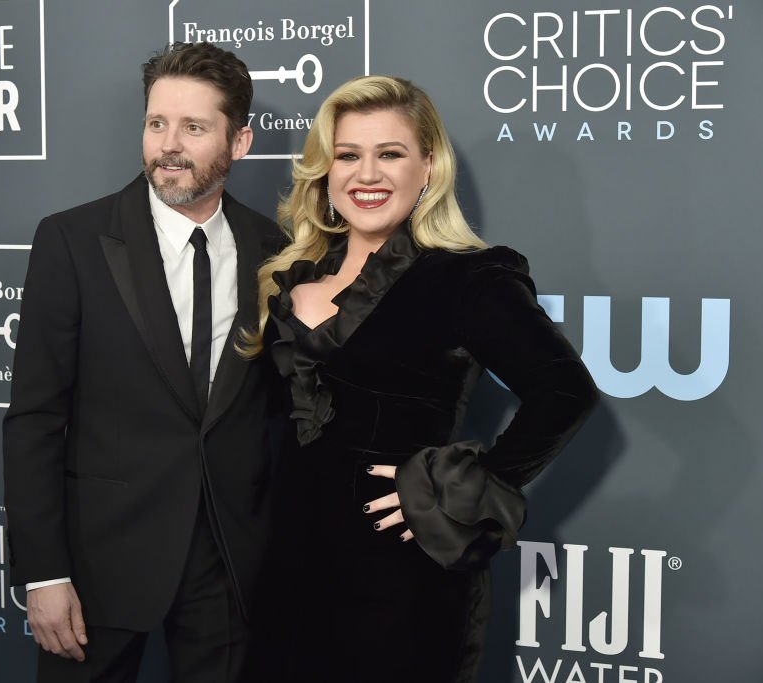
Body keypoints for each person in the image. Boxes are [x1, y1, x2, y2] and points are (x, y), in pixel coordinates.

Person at [243, 75, 599, 681]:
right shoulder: (290, 279)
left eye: (391, 154)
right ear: (326, 172)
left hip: (400, 584)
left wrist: (456, 488)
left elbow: (565, 391)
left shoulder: (466, 280)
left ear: (428, 166)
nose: (367, 174)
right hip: (288, 575)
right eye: (349, 155)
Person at [3, 42, 278, 683]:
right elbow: (35, 418)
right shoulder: (71, 241)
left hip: (230, 563)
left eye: (194, 127)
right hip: (100, 562)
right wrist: (44, 573)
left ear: (239, 142)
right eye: (157, 123)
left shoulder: (277, 249)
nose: (168, 145)